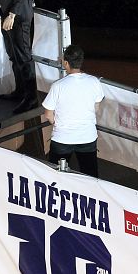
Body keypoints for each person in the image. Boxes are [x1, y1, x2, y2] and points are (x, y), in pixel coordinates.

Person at [42, 44, 105, 177]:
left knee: (55, 176)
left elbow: (48, 114)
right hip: (87, 136)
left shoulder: (58, 86)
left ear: (66, 63)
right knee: (90, 176)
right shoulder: (94, 82)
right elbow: (97, 107)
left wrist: (58, 123)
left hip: (62, 138)